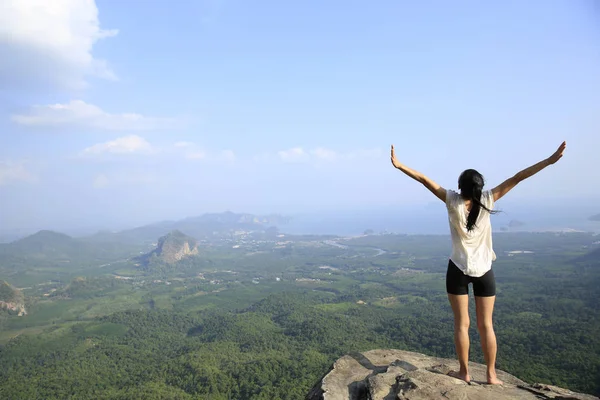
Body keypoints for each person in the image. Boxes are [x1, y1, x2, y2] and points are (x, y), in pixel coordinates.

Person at [389, 141, 566, 384]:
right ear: (479, 187)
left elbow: (423, 179)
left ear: (460, 187)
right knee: (486, 325)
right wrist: (549, 161)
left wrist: (399, 166)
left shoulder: (451, 200)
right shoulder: (489, 199)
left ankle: (465, 372)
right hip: (485, 270)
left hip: (458, 269)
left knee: (462, 324)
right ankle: (491, 374)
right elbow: (518, 177)